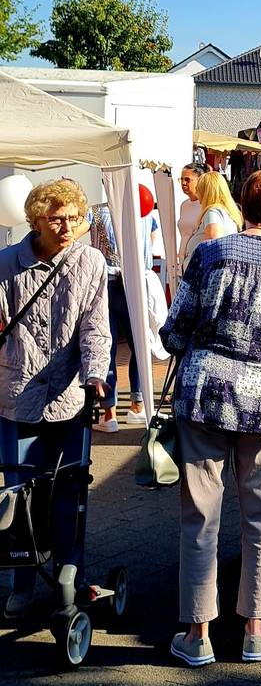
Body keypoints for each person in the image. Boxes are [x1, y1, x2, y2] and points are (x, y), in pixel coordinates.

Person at [159, 170, 261, 666]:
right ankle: (254, 629)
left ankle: (198, 632)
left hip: (206, 393)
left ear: (243, 205)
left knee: (200, 516)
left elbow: (174, 330)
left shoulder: (209, 254)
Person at [0, 180, 110, 618]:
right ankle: (22, 582)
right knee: (19, 493)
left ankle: (71, 573)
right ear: (36, 221)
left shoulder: (91, 261)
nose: (67, 227)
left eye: (74, 218)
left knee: (69, 490)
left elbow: (96, 328)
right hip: (17, 397)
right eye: (56, 218)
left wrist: (97, 374)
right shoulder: (7, 264)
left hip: (68, 398)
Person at [87, 202, 157, 432]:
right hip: (136, 281)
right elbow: (151, 243)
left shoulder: (95, 211)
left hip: (106, 281)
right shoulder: (145, 211)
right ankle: (137, 405)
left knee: (106, 346)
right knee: (140, 343)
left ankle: (110, 413)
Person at [182, 171, 242, 272]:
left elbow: (213, 246)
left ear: (206, 191)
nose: (197, 193)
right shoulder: (227, 212)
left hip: (203, 278)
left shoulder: (213, 212)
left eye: (199, 189)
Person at [177, 162, 209, 279]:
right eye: (181, 179)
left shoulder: (205, 205)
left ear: (200, 181)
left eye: (188, 180)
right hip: (183, 263)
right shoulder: (184, 205)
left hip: (198, 263)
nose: (183, 183)